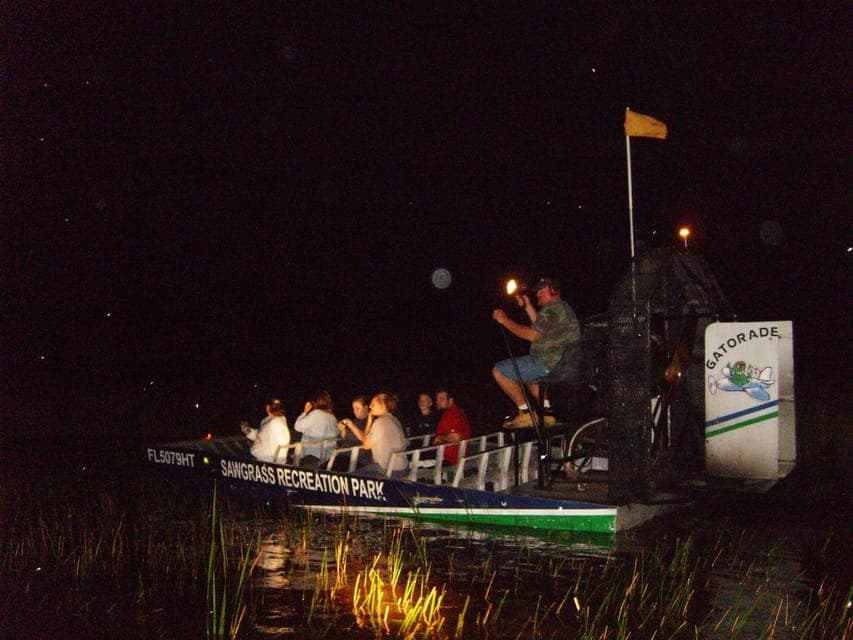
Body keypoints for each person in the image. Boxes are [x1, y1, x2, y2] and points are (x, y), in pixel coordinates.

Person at [491, 276, 580, 428]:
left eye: (542, 290)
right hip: (560, 363)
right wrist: (528, 307)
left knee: (499, 371)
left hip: (550, 362)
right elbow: (541, 327)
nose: (538, 293)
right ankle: (547, 413)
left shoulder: (554, 308)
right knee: (530, 377)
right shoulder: (560, 309)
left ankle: (526, 413)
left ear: (553, 290)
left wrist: (504, 320)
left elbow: (533, 335)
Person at [344, 392, 408, 477]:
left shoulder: (380, 422)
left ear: (383, 406)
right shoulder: (394, 419)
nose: (370, 406)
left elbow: (366, 445)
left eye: (373, 404)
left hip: (388, 470)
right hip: (403, 467)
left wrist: (369, 423)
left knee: (350, 478)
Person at [293, 390, 339, 466]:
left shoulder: (316, 414)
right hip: (328, 458)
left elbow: (297, 427)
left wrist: (305, 412)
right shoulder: (332, 417)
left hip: (313, 457)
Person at [241, 398, 291, 463]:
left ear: (267, 408)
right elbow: (261, 436)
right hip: (257, 453)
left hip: (265, 460)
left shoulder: (276, 423)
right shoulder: (268, 420)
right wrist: (248, 432)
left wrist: (276, 465)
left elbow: (282, 445)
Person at [332, 394, 372, 470]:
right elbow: (342, 440)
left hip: (357, 459)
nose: (355, 411)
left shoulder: (369, 422)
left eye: (358, 408)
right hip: (343, 456)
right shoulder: (355, 421)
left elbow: (364, 439)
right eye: (353, 409)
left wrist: (351, 425)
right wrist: (343, 430)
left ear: (366, 408)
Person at [433, 388, 471, 465]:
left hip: (450, 459)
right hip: (451, 455)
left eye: (441, 399)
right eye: (437, 399)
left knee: (414, 460)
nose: (437, 402)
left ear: (450, 400)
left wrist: (439, 438)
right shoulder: (455, 411)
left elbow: (455, 438)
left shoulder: (453, 414)